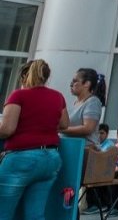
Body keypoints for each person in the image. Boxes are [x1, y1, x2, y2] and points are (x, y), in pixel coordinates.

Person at [0, 59, 68, 220]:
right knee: (35, 215)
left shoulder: (18, 95)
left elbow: (8, 129)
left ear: (24, 76)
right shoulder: (57, 96)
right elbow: (64, 124)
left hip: (21, 159)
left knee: (3, 212)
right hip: (51, 159)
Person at [62, 67, 106, 147]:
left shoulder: (93, 102)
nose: (71, 84)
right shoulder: (75, 103)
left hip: (84, 152)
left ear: (87, 84)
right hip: (71, 148)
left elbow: (88, 128)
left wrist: (61, 130)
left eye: (75, 81)